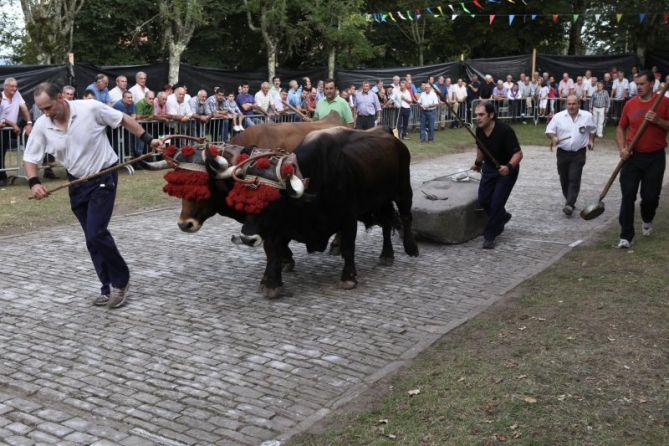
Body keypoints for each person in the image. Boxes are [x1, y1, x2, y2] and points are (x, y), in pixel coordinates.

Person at [23, 82, 163, 308]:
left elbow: (123, 120)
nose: (46, 114)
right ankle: (106, 287)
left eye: (48, 108)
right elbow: (30, 159)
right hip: (77, 182)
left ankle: (121, 282)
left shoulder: (90, 108)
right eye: (42, 110)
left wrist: (149, 139)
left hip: (103, 177)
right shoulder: (42, 125)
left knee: (96, 232)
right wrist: (34, 182)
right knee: (91, 239)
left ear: (60, 97)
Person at [615, 70, 669, 248]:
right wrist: (622, 148)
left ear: (652, 84)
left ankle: (647, 218)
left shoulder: (664, 102)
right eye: (637, 84)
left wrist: (659, 121)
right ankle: (626, 236)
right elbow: (620, 128)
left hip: (655, 157)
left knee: (650, 196)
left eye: (642, 84)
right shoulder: (630, 104)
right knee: (628, 195)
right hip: (632, 156)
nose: (638, 87)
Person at [471, 101, 523, 249]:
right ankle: (503, 216)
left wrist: (509, 167)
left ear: (491, 115)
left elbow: (518, 153)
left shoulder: (505, 131)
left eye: (481, 115)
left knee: (496, 203)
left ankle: (490, 235)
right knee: (484, 200)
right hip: (489, 169)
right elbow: (481, 148)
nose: (478, 118)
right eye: (476, 115)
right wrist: (478, 163)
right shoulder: (479, 130)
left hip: (506, 170)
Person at [545, 94, 596, 217]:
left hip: (579, 153)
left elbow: (592, 130)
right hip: (562, 152)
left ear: (579, 104)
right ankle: (569, 200)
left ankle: (569, 204)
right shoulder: (558, 117)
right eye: (569, 104)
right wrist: (554, 137)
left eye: (574, 103)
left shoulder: (587, 116)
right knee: (564, 178)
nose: (571, 106)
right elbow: (549, 131)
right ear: (566, 104)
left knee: (574, 176)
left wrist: (591, 141)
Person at [1, 77, 33, 186]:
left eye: (16, 86)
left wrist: (29, 123)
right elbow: (1, 117)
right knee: (1, 152)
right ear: (5, 87)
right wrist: (13, 124)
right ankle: (2, 177)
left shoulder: (17, 94)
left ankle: (32, 166)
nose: (15, 88)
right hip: (4, 128)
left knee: (3, 152)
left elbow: (23, 108)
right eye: (12, 86)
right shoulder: (1, 97)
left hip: (10, 128)